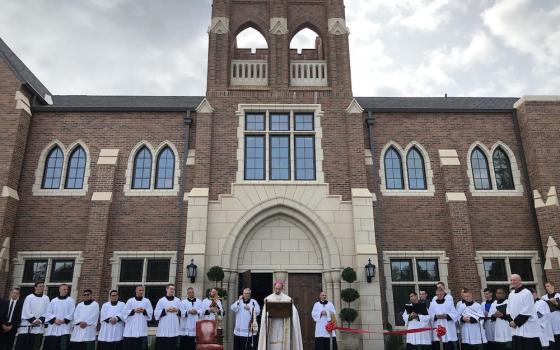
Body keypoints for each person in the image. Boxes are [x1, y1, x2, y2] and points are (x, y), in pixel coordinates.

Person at [258, 280, 303, 350]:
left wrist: (291, 313)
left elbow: (294, 312)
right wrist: (267, 316)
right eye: (276, 288)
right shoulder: (268, 299)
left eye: (279, 289)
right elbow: (264, 313)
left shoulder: (287, 299)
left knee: (283, 342)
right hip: (272, 324)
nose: (277, 290)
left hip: (283, 324)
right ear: (274, 288)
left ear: (282, 288)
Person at [506, 274, 541, 350]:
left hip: (527, 327)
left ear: (520, 280)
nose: (512, 281)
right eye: (511, 280)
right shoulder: (511, 294)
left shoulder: (527, 293)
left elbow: (527, 310)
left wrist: (515, 322)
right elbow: (508, 309)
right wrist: (510, 321)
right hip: (515, 328)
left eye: (514, 280)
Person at [14, 280, 50, 350]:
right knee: (25, 346)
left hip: (39, 326)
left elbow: (48, 311)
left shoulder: (46, 298)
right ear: (35, 287)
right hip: (28, 326)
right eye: (40, 286)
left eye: (43, 286)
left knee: (36, 346)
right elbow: (26, 310)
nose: (42, 288)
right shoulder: (29, 297)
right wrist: (33, 320)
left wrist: (40, 320)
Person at [43, 284, 75, 350]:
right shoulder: (54, 300)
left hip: (65, 327)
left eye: (67, 289)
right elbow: (48, 312)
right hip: (53, 327)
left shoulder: (70, 300)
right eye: (64, 289)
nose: (66, 291)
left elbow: (72, 312)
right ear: (59, 290)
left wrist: (64, 320)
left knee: (63, 346)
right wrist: (54, 320)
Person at [122, 285, 153, 350]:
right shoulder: (130, 301)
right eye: (139, 290)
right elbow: (124, 312)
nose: (141, 292)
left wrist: (144, 311)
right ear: (135, 291)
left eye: (142, 290)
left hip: (142, 329)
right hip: (130, 331)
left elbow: (150, 312)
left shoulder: (147, 301)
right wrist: (134, 310)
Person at [154, 284, 182, 350]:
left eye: (173, 289)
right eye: (171, 289)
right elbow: (156, 313)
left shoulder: (177, 300)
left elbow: (183, 312)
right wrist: (166, 310)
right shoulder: (161, 300)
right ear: (167, 289)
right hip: (164, 327)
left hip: (174, 327)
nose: (172, 290)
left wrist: (177, 310)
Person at [542, 282, 560, 350]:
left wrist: (555, 303)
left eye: (548, 286)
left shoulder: (558, 295)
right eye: (546, 286)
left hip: (558, 321)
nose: (547, 288)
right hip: (549, 323)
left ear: (553, 286)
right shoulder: (544, 298)